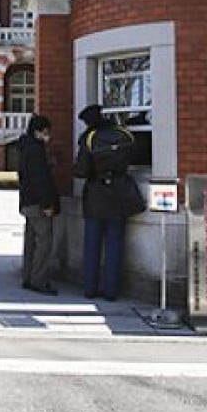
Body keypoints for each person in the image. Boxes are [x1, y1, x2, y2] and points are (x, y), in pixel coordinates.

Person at [72, 104, 145, 300]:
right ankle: (111, 291)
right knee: (115, 244)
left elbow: (80, 171)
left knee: (92, 244)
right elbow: (137, 155)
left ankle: (90, 288)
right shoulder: (125, 134)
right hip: (120, 193)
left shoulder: (90, 138)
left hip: (96, 194)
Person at [16, 114, 60, 295]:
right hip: (38, 203)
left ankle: (28, 277)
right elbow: (40, 180)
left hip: (27, 202)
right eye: (46, 132)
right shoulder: (36, 150)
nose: (48, 136)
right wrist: (47, 204)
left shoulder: (25, 148)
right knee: (44, 243)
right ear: (38, 132)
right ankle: (39, 280)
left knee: (30, 243)